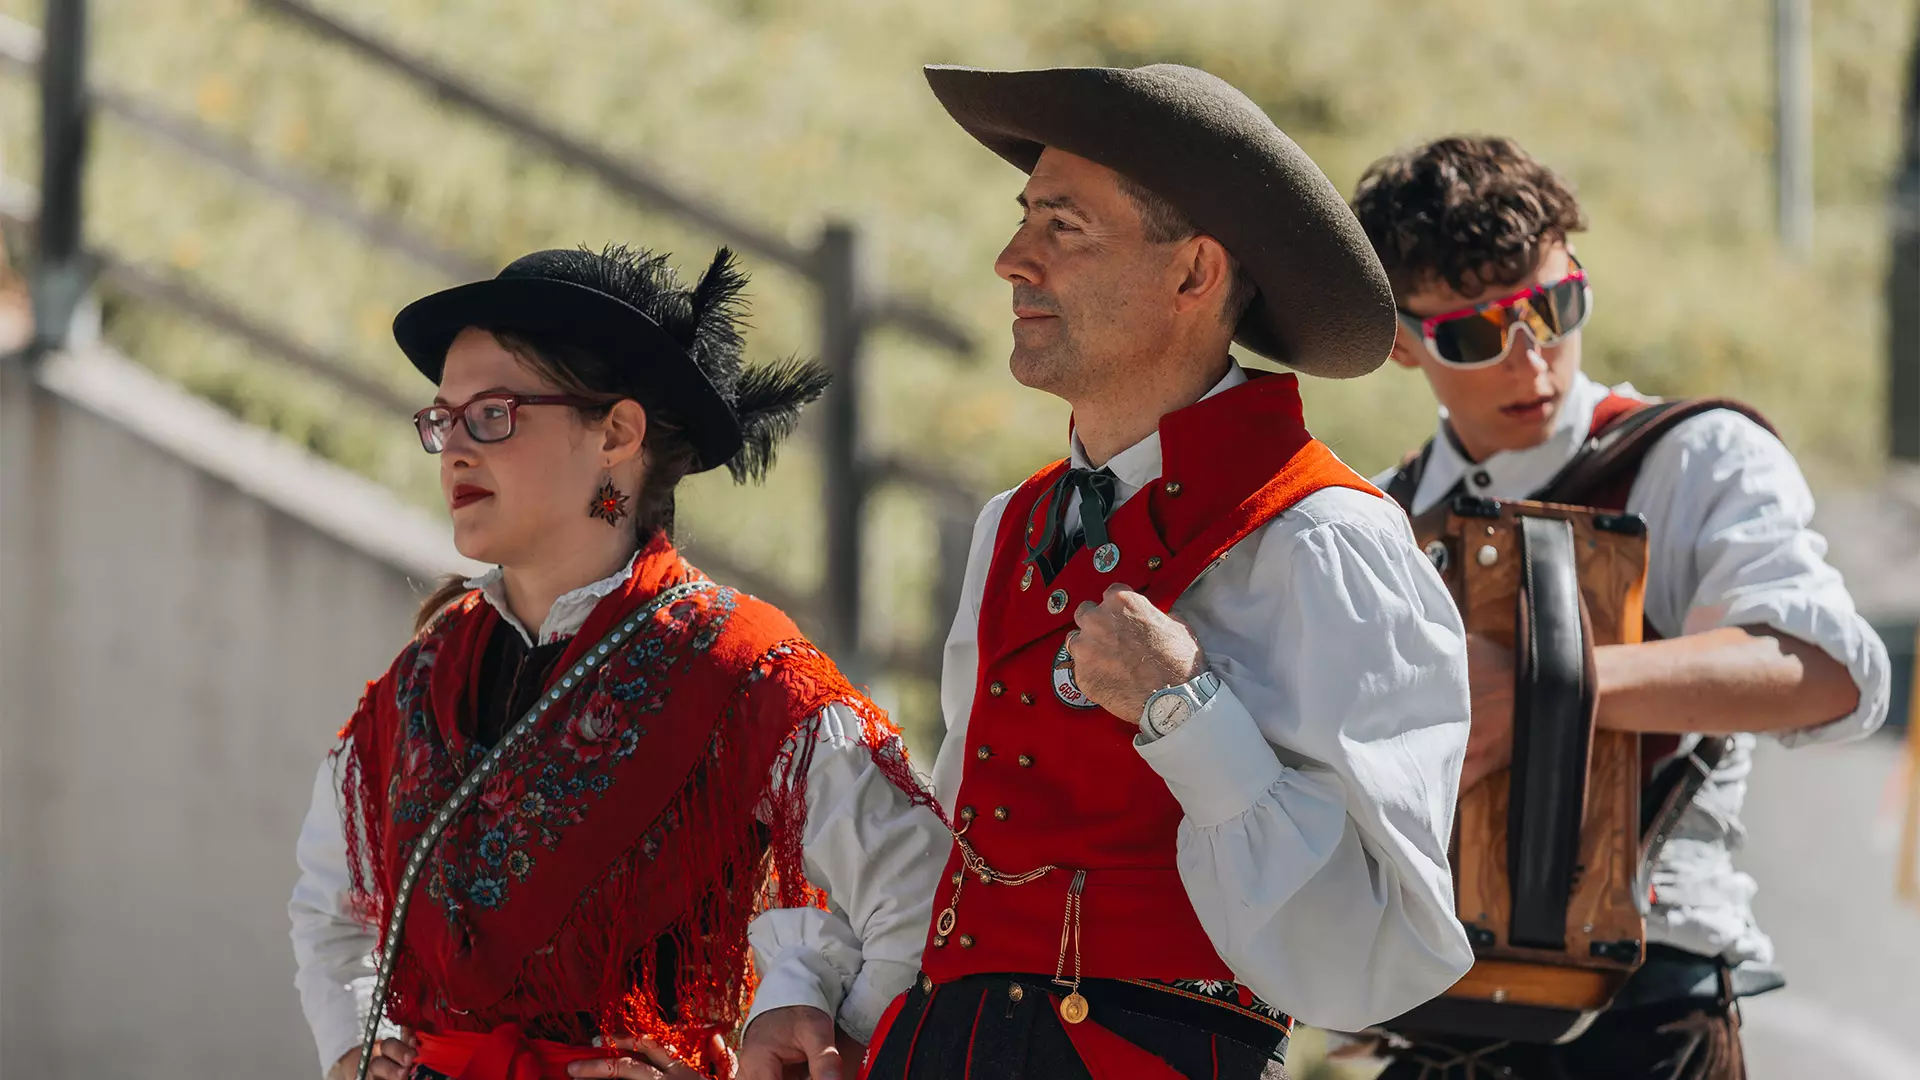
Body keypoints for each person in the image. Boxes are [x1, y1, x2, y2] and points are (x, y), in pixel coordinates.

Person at [861, 64, 1476, 1080]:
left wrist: (1190, 715)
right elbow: (963, 837)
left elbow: (1380, 947)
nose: (1013, 259)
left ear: (1193, 274)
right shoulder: (1010, 521)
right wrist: (840, 1001)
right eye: (1026, 220)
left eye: (1064, 226)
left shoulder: (1326, 538)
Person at [288, 244, 948, 1080]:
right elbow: (328, 900)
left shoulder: (743, 668)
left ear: (618, 433)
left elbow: (929, 897)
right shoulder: (424, 675)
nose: (454, 447)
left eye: (491, 414)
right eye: (441, 420)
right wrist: (352, 1046)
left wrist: (828, 1052)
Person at [1350, 135, 1892, 1079]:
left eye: (1553, 308)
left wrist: (1546, 686)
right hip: (1428, 1021)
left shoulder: (1694, 456)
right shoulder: (1375, 517)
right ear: (1401, 339)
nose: (1531, 359)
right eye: (1477, 334)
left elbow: (1828, 674)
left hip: (1645, 1010)